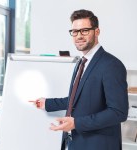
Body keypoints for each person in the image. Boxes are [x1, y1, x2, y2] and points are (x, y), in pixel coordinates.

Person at [30, 9, 128, 150]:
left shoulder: (111, 65)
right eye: (75, 32)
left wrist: (76, 123)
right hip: (77, 142)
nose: (79, 36)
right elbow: (77, 99)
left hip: (98, 145)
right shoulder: (81, 62)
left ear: (97, 31)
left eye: (85, 31)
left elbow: (118, 112)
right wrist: (47, 103)